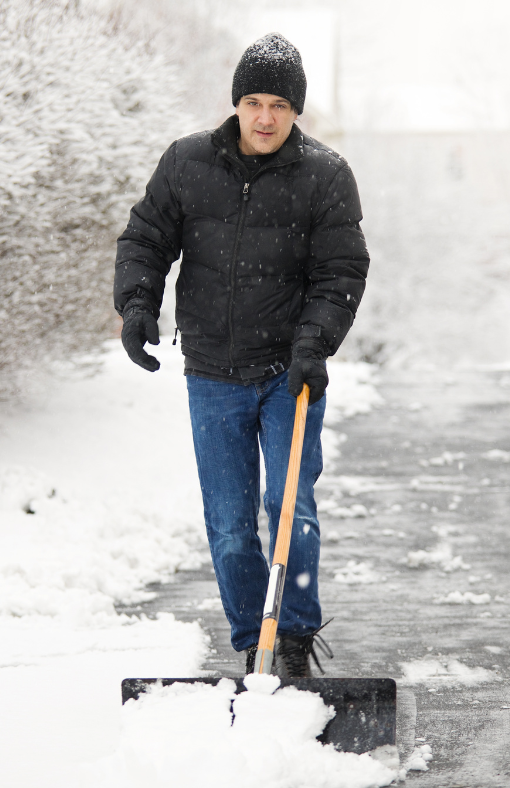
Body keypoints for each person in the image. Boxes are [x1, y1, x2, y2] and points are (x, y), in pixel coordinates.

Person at [113, 33, 369, 677]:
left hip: (291, 373)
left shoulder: (326, 176)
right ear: (236, 104)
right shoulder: (187, 163)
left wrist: (315, 344)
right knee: (229, 526)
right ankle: (252, 641)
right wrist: (138, 305)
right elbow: (146, 237)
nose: (264, 117)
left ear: (295, 111)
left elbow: (340, 270)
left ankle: (292, 637)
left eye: (279, 105)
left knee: (290, 510)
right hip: (212, 374)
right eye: (253, 101)